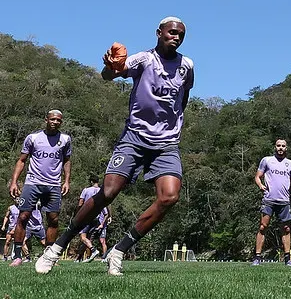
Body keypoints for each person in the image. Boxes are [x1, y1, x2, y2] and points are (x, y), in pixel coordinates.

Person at [36, 17, 194, 276]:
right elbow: (109, 76)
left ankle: (118, 251)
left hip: (166, 143)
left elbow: (183, 97)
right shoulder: (144, 59)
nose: (176, 37)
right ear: (159, 33)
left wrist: (172, 123)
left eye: (181, 35)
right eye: (172, 32)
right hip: (134, 137)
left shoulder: (186, 65)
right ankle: (56, 248)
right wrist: (110, 66)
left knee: (169, 197)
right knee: (108, 192)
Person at [8, 110, 72, 267]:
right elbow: (22, 160)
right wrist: (14, 182)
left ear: (61, 122)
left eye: (58, 120)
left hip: (53, 184)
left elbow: (67, 160)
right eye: (52, 119)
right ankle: (17, 256)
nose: (55, 122)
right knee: (23, 216)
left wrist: (66, 181)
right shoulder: (33, 138)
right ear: (46, 120)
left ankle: (49, 256)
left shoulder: (65, 139)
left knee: (53, 219)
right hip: (33, 183)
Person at [251, 139, 291, 267]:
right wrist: (260, 185)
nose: (280, 148)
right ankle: (257, 257)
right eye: (278, 146)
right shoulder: (266, 160)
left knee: (286, 229)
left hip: (284, 201)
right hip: (269, 200)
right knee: (263, 227)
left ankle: (287, 259)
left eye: (283, 146)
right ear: (275, 147)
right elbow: (257, 176)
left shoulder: (290, 164)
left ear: (286, 148)